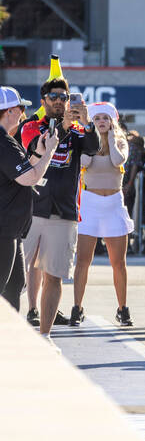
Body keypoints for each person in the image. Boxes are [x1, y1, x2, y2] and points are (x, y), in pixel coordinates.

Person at [20, 77, 100, 338]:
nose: (59, 101)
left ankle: (45, 336)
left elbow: (93, 147)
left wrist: (87, 124)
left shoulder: (78, 130)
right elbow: (36, 146)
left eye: (63, 98)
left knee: (54, 275)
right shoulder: (31, 126)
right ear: (43, 101)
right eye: (53, 97)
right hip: (30, 209)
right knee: (14, 274)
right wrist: (64, 127)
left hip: (63, 212)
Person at [72, 102, 136, 327]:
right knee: (83, 260)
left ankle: (123, 308)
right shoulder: (84, 140)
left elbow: (118, 160)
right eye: (97, 118)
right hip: (90, 204)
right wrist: (91, 138)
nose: (101, 122)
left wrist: (109, 138)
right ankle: (77, 307)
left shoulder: (119, 142)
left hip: (113, 204)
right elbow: (85, 161)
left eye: (105, 118)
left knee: (118, 262)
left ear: (112, 122)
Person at [0, 88, 54, 310]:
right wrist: (49, 151)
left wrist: (39, 154)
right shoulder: (4, 142)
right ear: (10, 111)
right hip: (4, 229)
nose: (23, 113)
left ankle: (9, 341)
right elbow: (29, 177)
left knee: (14, 286)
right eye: (21, 108)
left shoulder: (6, 141)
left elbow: (21, 171)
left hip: (11, 228)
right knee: (6, 288)